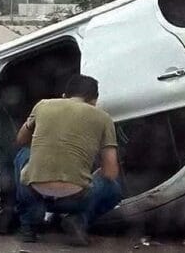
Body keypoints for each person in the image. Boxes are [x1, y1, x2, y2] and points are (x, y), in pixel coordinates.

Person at [14, 74, 122, 246]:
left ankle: (29, 226)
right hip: (76, 197)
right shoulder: (104, 118)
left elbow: (21, 140)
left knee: (23, 154)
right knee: (113, 188)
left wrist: (31, 125)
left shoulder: (43, 105)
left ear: (64, 95)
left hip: (36, 191)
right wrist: (94, 174)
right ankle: (78, 220)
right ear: (94, 100)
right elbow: (110, 172)